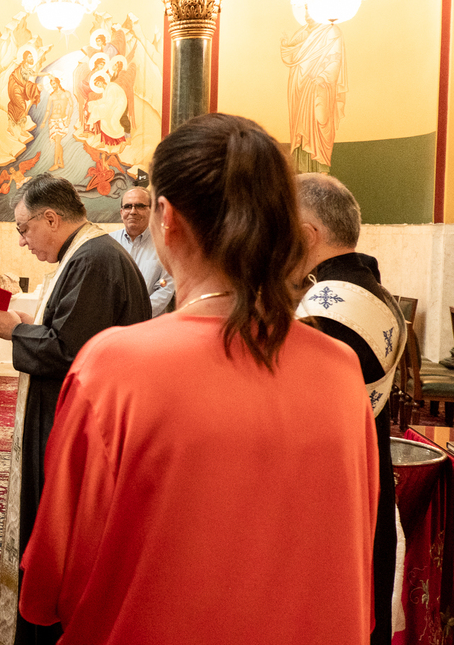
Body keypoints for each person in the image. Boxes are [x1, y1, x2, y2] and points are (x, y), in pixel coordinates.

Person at [19, 114, 377, 644]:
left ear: (167, 218)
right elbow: (356, 540)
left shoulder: (116, 367)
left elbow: (53, 580)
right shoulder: (340, 371)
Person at [0, 173, 150, 645]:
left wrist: (15, 332)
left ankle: (50, 621)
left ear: (51, 218)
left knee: (62, 530)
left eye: (24, 228)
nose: (22, 241)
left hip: (76, 421)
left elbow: (67, 350)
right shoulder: (88, 253)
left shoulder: (93, 259)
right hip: (74, 411)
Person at [297, 172, 403, 645]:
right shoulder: (374, 290)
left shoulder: (325, 310)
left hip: (329, 489)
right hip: (366, 469)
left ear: (305, 235)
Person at [282, 14, 347, 173]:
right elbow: (291, 54)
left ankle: (320, 171)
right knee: (301, 134)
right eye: (305, 9)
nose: (306, 15)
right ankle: (301, 173)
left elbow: (335, 60)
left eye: (310, 10)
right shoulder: (302, 33)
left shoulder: (332, 32)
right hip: (300, 93)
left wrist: (323, 77)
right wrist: (285, 45)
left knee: (319, 125)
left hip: (320, 90)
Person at [108, 186, 174, 315]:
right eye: (128, 206)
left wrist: (135, 314)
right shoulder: (108, 243)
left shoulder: (165, 245)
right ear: (121, 212)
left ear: (152, 211)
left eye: (140, 206)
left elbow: (165, 289)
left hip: (149, 323)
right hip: (113, 322)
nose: (133, 211)